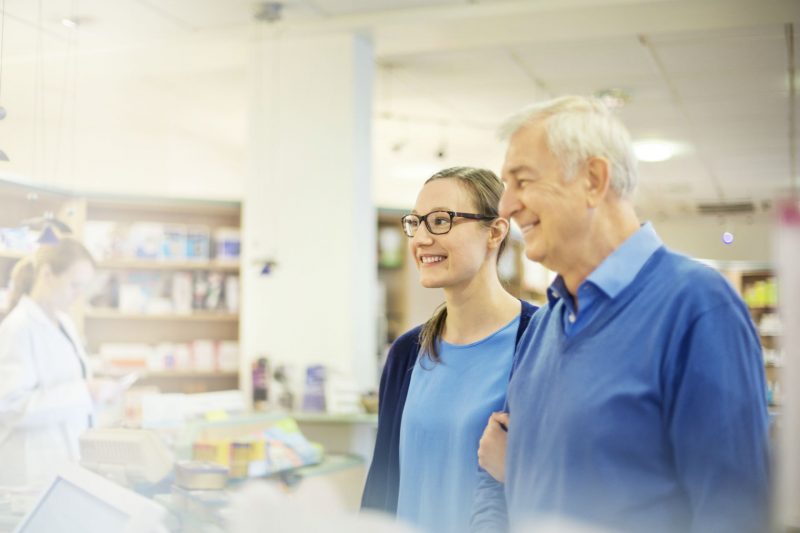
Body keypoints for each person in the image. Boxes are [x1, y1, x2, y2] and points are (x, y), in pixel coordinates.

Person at [471, 96, 770, 532]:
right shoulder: (546, 325)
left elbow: (733, 514)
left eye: (522, 181)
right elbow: (496, 469)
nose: (506, 206)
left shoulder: (697, 307)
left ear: (593, 179)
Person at [361, 167, 537, 533]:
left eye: (441, 221)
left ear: (495, 231)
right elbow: (381, 485)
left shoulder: (539, 340)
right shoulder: (408, 353)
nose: (421, 238)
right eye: (416, 222)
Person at [0, 237, 107, 488]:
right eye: (74, 285)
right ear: (47, 275)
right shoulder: (18, 328)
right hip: (32, 471)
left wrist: (93, 391)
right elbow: (10, 407)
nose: (79, 296)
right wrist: (84, 392)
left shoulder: (64, 323)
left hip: (68, 462)